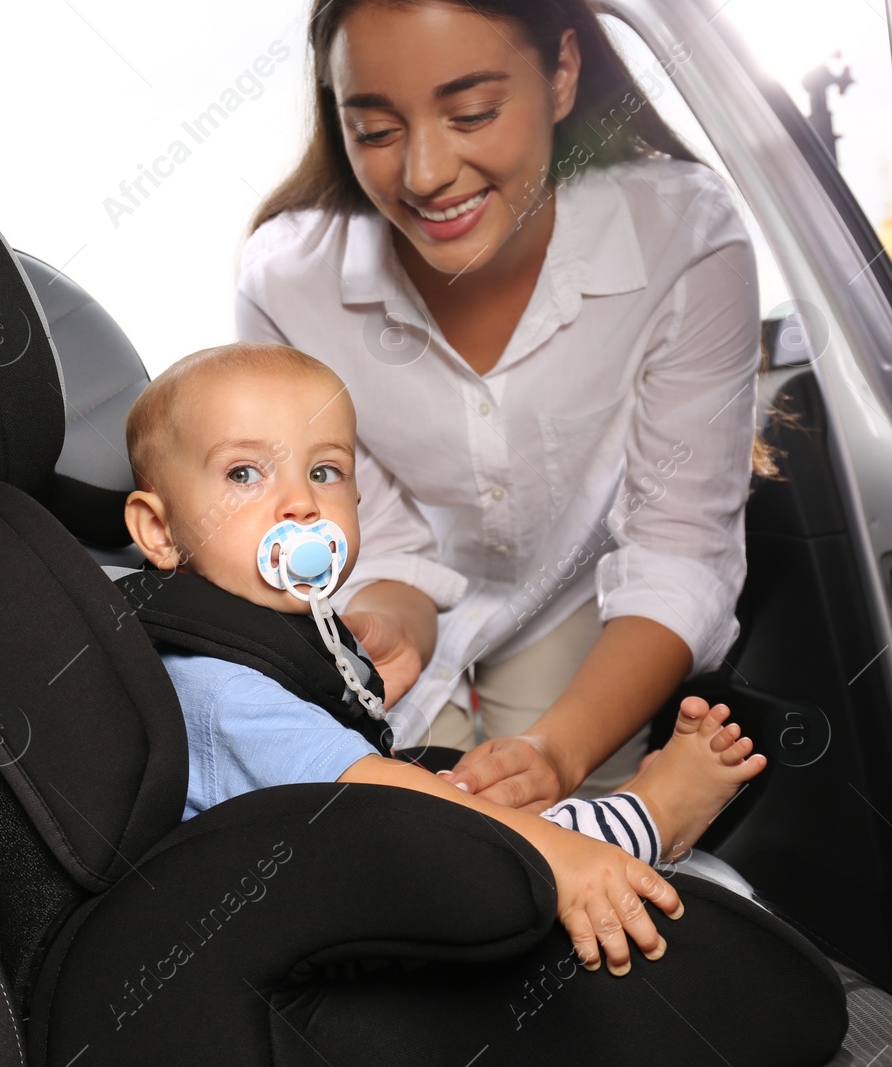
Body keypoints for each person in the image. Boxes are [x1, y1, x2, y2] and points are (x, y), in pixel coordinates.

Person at [237, 0, 767, 811]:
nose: (424, 174)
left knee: (583, 838)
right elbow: (371, 532)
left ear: (561, 73)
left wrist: (557, 754)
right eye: (376, 130)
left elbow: (679, 551)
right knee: (414, 846)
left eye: (473, 113)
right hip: (397, 601)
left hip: (583, 606)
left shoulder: (684, 238)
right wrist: (387, 620)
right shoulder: (286, 283)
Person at [120, 343, 766, 975]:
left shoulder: (272, 635)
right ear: (158, 530)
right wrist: (557, 855)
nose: (301, 504)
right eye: (244, 473)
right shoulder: (218, 689)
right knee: (502, 844)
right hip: (306, 930)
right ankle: (650, 815)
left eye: (324, 471)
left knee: (467, 794)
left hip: (322, 865)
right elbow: (381, 795)